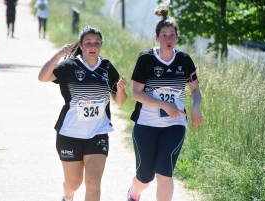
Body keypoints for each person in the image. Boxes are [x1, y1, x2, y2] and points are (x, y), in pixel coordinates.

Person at [38, 25, 127, 201]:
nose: (92, 46)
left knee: (93, 182)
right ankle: (67, 195)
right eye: (88, 43)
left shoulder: (107, 68)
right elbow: (43, 77)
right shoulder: (69, 66)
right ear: (80, 44)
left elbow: (120, 100)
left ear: (101, 45)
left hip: (98, 132)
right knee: (74, 184)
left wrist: (121, 89)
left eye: (96, 43)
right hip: (70, 133)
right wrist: (58, 55)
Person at [127, 2, 203, 201]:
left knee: (164, 173)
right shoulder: (146, 59)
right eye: (164, 35)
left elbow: (195, 90)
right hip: (146, 124)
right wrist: (164, 105)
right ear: (157, 37)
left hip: (174, 124)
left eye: (172, 35)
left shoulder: (184, 61)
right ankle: (134, 194)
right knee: (145, 178)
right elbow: (136, 93)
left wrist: (196, 107)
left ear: (177, 37)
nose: (168, 39)